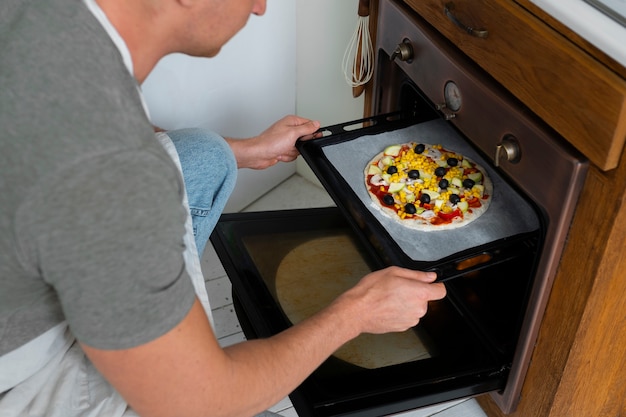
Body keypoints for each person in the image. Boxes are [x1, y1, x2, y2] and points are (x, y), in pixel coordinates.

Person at [0, 0, 447, 416]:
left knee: (205, 155)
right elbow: (200, 401)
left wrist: (246, 150)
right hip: (22, 379)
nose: (260, 7)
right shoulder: (109, 170)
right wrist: (356, 311)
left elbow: (118, 127)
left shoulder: (53, 21)